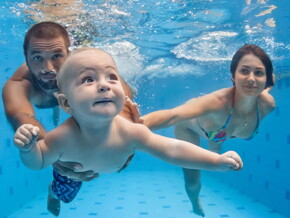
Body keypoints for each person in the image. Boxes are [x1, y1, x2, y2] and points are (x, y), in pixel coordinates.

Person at [14, 48, 243, 216]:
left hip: (107, 164)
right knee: (65, 193)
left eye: (111, 76)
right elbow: (40, 161)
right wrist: (28, 148)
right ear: (65, 104)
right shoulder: (62, 138)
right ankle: (52, 192)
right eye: (88, 79)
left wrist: (215, 160)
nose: (104, 85)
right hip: (73, 171)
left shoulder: (131, 132)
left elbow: (173, 149)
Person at [140, 44, 275, 217]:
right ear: (233, 76)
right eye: (244, 71)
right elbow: (171, 116)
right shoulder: (217, 102)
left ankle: (215, 146)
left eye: (259, 73)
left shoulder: (267, 105)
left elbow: (265, 87)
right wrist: (129, 125)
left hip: (219, 129)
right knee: (192, 178)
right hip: (189, 127)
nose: (251, 79)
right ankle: (195, 203)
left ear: (266, 79)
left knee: (217, 138)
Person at [2, 21, 138, 182]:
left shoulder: (85, 70)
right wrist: (51, 152)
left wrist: (124, 141)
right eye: (37, 57)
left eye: (57, 56)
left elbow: (120, 97)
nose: (48, 68)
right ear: (26, 57)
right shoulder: (19, 84)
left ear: (69, 53)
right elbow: (21, 116)